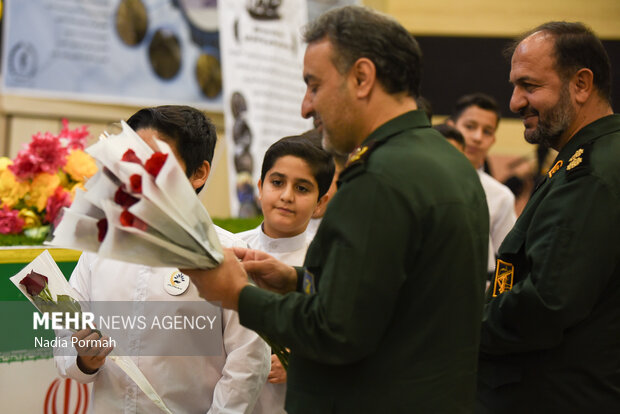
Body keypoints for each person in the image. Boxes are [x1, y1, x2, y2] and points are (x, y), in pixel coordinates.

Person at [184, 6, 489, 413]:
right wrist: (296, 279)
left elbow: (336, 331)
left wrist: (237, 294)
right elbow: (392, 294)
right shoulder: (442, 159)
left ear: (362, 78)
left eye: (314, 85)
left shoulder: (382, 177)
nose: (306, 107)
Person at [55, 106, 270, 413]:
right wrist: (82, 360)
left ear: (199, 173)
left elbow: (249, 361)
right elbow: (65, 334)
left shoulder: (228, 253)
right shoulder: (99, 246)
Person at [477, 22, 620, 412]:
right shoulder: (586, 159)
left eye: (529, 86)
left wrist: (460, 326)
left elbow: (545, 304)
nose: (515, 102)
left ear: (581, 84)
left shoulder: (590, 173)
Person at [237, 134, 334, 414]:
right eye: (277, 183)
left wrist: (306, 363)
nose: (286, 196)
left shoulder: (328, 261)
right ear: (260, 187)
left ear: (320, 203)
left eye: (302, 188)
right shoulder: (230, 248)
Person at [448, 93, 517, 276]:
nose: (477, 137)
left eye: (487, 131)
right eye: (470, 127)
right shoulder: (428, 180)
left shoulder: (501, 196)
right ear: (451, 128)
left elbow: (506, 261)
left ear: (493, 139)